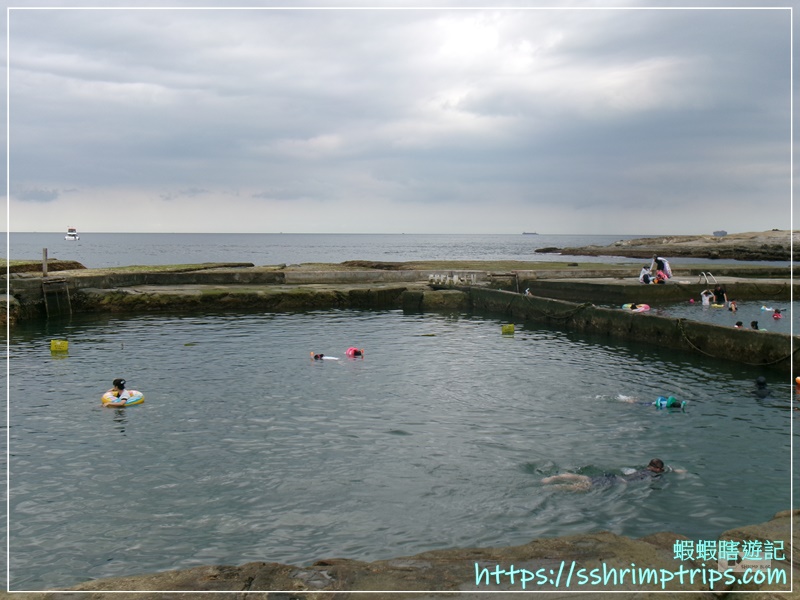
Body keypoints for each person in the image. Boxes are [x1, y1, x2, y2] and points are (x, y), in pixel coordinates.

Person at [542, 459, 670, 492]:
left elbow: (626, 470)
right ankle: (555, 488)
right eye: (660, 469)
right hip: (617, 482)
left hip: (612, 476)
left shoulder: (640, 468)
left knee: (585, 478)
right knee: (584, 487)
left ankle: (555, 478)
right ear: (657, 468)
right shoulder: (652, 474)